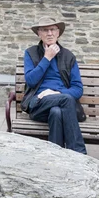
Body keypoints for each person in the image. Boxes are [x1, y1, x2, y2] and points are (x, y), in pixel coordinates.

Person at [21, 16, 87, 154]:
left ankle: (55, 156)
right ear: (39, 33)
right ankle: (79, 153)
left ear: (58, 33)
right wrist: (47, 58)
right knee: (66, 99)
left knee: (56, 112)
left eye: (52, 29)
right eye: (45, 30)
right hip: (38, 103)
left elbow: (78, 89)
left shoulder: (68, 56)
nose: (49, 33)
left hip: (60, 104)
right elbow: (31, 81)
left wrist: (56, 93)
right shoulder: (31, 53)